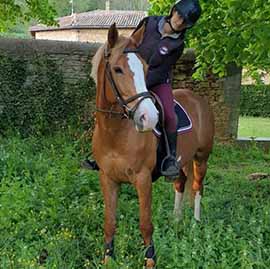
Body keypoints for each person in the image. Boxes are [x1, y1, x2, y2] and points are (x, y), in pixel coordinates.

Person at [83, 0, 201, 180]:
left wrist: (141, 84)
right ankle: (100, 154)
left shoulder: (178, 45)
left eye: (185, 21)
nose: (179, 21)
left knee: (169, 115)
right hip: (131, 74)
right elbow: (129, 44)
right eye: (179, 15)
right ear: (173, 11)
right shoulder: (149, 22)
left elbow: (162, 69)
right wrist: (132, 76)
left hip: (158, 82)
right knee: (110, 106)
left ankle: (169, 158)